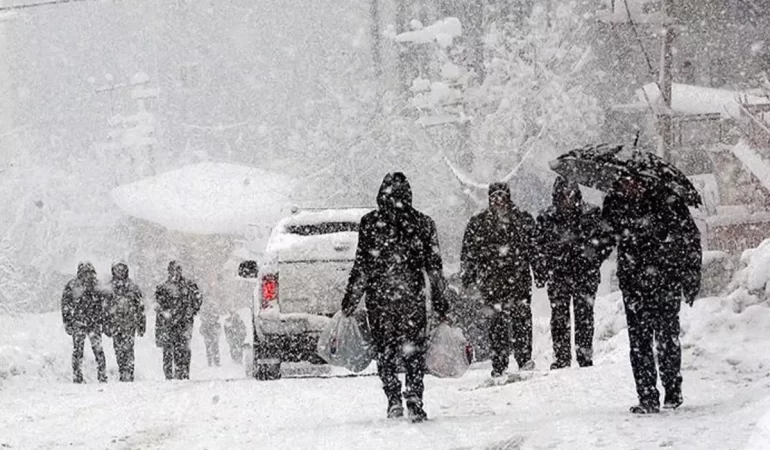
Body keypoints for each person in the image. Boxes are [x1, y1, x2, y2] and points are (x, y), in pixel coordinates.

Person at [341, 172, 448, 423]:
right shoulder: (423, 223)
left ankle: (393, 399)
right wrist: (441, 301)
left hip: (380, 299)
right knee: (414, 351)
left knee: (385, 350)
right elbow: (434, 267)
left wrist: (350, 299)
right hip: (411, 297)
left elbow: (362, 266)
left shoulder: (370, 223)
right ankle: (414, 397)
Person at [602, 176, 701, 414]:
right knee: (639, 342)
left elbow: (690, 238)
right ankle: (647, 396)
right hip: (634, 283)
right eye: (624, 182)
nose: (630, 186)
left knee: (666, 337)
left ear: (646, 181)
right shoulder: (616, 203)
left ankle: (672, 390)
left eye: (633, 182)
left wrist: (690, 276)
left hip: (665, 280)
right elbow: (605, 237)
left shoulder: (668, 202)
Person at [461, 182, 538, 377]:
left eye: (502, 195)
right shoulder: (479, 223)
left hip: (518, 280)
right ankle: (499, 363)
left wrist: (540, 272)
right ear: (489, 198)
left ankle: (524, 359)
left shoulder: (522, 220)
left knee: (521, 320)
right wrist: (468, 278)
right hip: (492, 281)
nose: (498, 200)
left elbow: (535, 249)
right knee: (497, 325)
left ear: (508, 197)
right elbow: (469, 253)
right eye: (494, 196)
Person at [535, 177, 612, 370]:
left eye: (569, 195)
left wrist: (594, 258)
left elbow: (607, 240)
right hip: (558, 274)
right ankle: (562, 358)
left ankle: (584, 356)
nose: (566, 200)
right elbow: (537, 246)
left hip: (584, 274)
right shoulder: (546, 218)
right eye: (562, 195)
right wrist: (545, 267)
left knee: (584, 316)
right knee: (559, 317)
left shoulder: (592, 214)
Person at [155, 261, 203, 380]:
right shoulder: (163, 288)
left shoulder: (189, 285)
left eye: (178, 270)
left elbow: (198, 298)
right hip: (169, 323)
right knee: (168, 350)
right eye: (173, 270)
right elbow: (159, 305)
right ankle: (169, 375)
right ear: (169, 271)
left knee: (183, 349)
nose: (176, 273)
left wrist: (192, 310)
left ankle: (183, 373)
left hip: (184, 323)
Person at [61, 262, 107, 383]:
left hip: (92, 322)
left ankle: (101, 375)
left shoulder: (96, 285)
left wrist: (103, 319)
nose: (87, 275)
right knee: (79, 350)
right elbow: (65, 305)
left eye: (89, 272)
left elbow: (104, 304)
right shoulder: (73, 285)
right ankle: (78, 375)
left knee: (97, 350)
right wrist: (67, 322)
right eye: (85, 272)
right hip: (80, 322)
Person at [103, 262, 146, 382]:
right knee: (118, 350)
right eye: (117, 269)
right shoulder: (109, 288)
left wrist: (141, 324)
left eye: (122, 269)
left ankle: (129, 372)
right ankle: (122, 371)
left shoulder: (133, 287)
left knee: (129, 349)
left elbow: (140, 307)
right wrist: (105, 324)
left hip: (129, 324)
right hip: (115, 324)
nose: (120, 272)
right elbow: (104, 308)